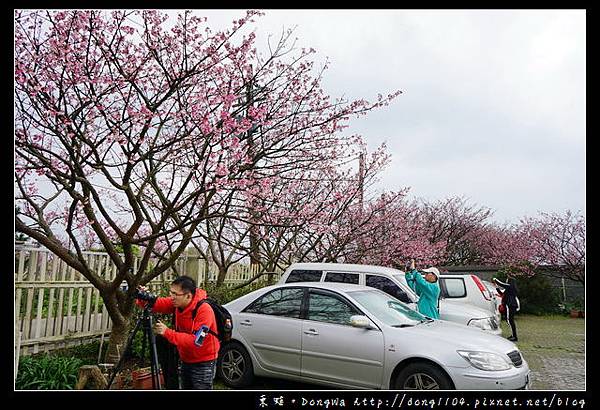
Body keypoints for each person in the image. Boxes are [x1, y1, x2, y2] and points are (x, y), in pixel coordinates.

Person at [136, 276, 220, 389]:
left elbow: (197, 341)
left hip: (204, 361)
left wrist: (167, 332)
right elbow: (158, 303)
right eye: (171, 293)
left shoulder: (204, 310)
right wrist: (143, 297)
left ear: (188, 296)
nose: (172, 297)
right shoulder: (178, 303)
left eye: (175, 294)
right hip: (186, 358)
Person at [493, 273, 519, 342]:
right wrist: (496, 287)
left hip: (510, 304)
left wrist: (495, 279)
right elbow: (502, 294)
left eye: (507, 280)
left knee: (510, 320)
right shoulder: (510, 288)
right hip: (512, 305)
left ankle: (514, 336)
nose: (506, 281)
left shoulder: (510, 286)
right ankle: (513, 335)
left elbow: (501, 284)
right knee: (510, 320)